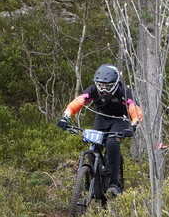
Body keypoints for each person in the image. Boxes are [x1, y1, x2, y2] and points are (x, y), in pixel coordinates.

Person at [57, 64, 142, 197]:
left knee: (112, 144)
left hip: (120, 119)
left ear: (115, 84)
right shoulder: (93, 90)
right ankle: (95, 180)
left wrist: (133, 126)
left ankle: (114, 184)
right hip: (102, 118)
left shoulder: (124, 92)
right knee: (93, 147)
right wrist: (65, 118)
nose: (103, 89)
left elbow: (135, 110)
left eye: (107, 86)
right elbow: (77, 102)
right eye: (101, 85)